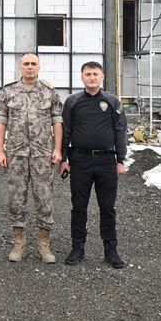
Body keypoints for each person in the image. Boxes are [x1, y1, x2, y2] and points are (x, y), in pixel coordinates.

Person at [0, 53, 63, 263]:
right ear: (20, 67)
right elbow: (1, 122)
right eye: (26, 64)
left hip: (43, 153)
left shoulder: (50, 92)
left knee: (44, 199)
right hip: (16, 153)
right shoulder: (8, 91)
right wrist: (0, 150)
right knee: (16, 199)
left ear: (39, 67)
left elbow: (57, 122)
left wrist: (58, 149)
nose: (30, 67)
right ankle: (19, 243)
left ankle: (43, 244)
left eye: (34, 64)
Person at [60, 61, 127, 269]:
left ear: (102, 77)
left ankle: (111, 250)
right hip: (80, 160)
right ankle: (77, 248)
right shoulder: (72, 102)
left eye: (95, 74)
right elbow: (66, 131)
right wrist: (63, 159)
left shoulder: (113, 102)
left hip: (107, 161)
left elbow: (120, 131)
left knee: (107, 207)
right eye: (88, 74)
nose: (91, 77)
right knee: (79, 206)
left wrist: (121, 159)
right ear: (82, 78)